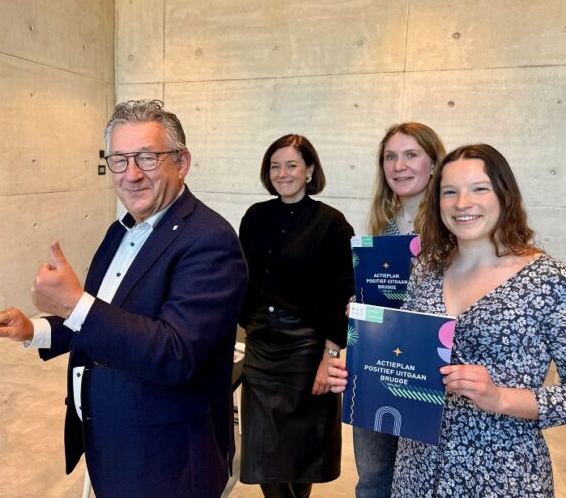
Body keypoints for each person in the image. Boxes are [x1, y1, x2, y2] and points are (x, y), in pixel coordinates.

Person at [0, 100, 248, 498]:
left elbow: (175, 354)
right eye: (119, 160)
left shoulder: (211, 241)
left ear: (182, 162)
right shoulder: (121, 230)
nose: (131, 174)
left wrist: (74, 304)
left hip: (168, 459)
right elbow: (104, 319)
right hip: (111, 438)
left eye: (147, 158)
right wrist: (33, 329)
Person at [330, 144, 566, 497]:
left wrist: (500, 398)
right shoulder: (427, 269)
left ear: (505, 195)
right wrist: (361, 371)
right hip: (416, 471)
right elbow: (403, 352)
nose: (462, 203)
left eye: (479, 189)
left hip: (500, 475)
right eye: (449, 192)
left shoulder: (548, 280)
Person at [237, 134, 355, 498]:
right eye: (275, 166)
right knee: (260, 452)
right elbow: (240, 277)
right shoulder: (255, 217)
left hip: (307, 350)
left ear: (310, 170)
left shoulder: (332, 224)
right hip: (260, 346)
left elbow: (342, 295)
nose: (282, 173)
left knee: (301, 451)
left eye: (291, 165)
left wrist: (330, 357)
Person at [345, 122, 446, 498]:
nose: (399, 166)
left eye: (411, 155)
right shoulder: (380, 228)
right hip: (377, 363)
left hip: (427, 370)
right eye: (390, 157)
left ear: (433, 164)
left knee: (419, 479)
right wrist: (359, 305)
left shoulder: (454, 226)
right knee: (373, 478)